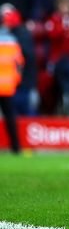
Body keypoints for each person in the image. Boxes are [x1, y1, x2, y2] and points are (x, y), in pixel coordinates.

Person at [0, 21, 24, 154]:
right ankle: (16, 148)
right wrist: (16, 81)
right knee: (10, 118)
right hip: (7, 86)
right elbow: (19, 64)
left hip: (6, 85)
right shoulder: (13, 42)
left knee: (9, 117)